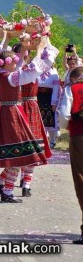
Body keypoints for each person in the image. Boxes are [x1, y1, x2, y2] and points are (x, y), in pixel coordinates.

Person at [0, 38, 57, 203]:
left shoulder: (3, 75)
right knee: (21, 153)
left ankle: (2, 185)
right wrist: (40, 50)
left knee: (19, 153)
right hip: (13, 115)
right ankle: (7, 191)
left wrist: (25, 47)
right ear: (7, 63)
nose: (17, 62)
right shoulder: (11, 78)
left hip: (8, 113)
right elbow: (33, 71)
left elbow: (23, 68)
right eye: (15, 60)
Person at [57, 66, 83, 244]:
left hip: (80, 134)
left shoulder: (71, 89)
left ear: (73, 79)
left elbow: (64, 114)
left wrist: (66, 126)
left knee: (81, 177)